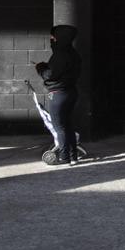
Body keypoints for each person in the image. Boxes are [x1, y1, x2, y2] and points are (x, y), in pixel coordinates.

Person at [35, 25, 81, 166]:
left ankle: (64, 157)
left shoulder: (59, 54)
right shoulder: (73, 53)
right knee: (68, 125)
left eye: (53, 36)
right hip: (71, 92)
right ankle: (73, 156)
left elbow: (51, 75)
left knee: (59, 127)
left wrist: (41, 68)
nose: (51, 39)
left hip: (58, 94)